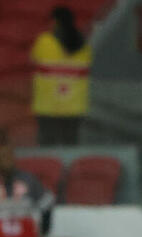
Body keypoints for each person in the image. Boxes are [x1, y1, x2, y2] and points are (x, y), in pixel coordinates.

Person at [30, 6, 92, 145]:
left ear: (54, 22)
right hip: (74, 106)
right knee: (71, 146)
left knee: (47, 147)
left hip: (48, 106)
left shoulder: (44, 42)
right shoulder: (84, 45)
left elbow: (33, 59)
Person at [0, 131, 54, 237]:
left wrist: (42, 233)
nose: (7, 160)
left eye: (9, 155)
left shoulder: (28, 180)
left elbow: (47, 204)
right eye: (3, 156)